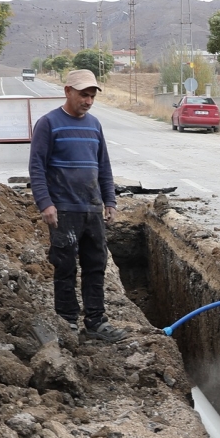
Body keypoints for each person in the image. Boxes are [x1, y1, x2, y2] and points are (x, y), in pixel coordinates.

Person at [28, 68, 127, 342]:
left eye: (92, 96)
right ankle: (67, 322)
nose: (88, 101)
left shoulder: (94, 125)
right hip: (64, 211)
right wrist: (45, 204)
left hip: (92, 210)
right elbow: (36, 167)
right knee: (65, 267)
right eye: (84, 95)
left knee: (96, 266)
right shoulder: (48, 124)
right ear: (68, 91)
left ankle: (96, 322)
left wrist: (109, 200)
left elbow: (103, 166)